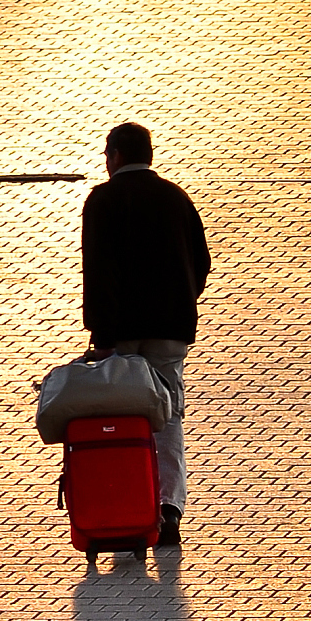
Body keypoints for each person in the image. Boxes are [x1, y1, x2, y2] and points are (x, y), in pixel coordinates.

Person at [81, 121, 211, 546]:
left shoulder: (103, 200)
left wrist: (101, 334)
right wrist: (182, 300)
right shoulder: (176, 198)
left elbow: (97, 271)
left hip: (121, 331)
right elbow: (202, 260)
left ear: (115, 155)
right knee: (168, 413)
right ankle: (169, 507)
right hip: (171, 329)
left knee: (118, 415)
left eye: (106, 154)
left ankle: (125, 502)